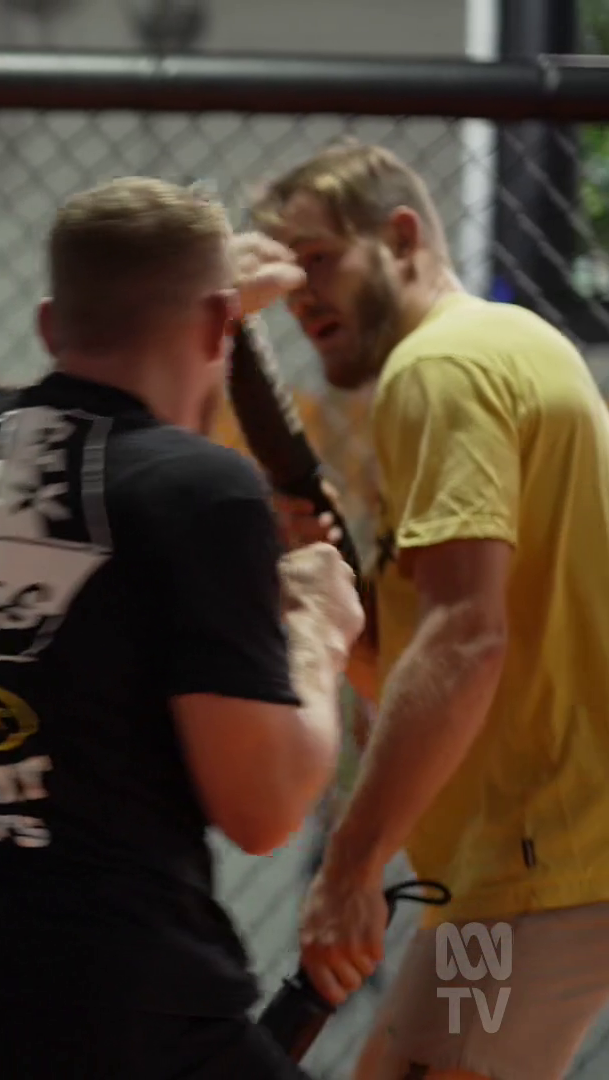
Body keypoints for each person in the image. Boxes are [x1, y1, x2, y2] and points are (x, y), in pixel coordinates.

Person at [0, 176, 365, 1079]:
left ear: (49, 325)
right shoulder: (202, 492)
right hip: (115, 1004)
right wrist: (319, 628)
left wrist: (209, 300)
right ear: (217, 325)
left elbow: (81, 453)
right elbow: (265, 809)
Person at [241, 137, 609, 1080]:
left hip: (541, 865)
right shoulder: (503, 344)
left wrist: (351, 867)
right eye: (287, 273)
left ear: (401, 238)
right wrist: (345, 597)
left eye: (319, 258)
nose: (300, 295)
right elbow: (434, 654)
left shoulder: (438, 369)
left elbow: (466, 636)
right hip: (522, 866)